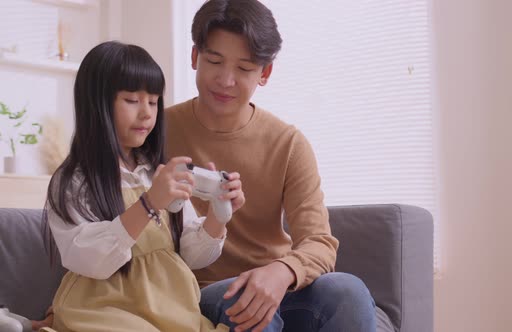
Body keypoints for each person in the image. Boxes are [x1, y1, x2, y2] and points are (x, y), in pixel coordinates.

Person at [165, 1, 377, 331]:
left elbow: (319, 242)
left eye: (244, 68)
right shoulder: (156, 132)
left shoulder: (288, 144)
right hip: (202, 293)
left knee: (348, 291)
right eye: (214, 61)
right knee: (243, 299)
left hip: (279, 289)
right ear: (194, 57)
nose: (225, 79)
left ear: (264, 73)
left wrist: (282, 271)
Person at [38, 40, 245, 332]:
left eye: (153, 101)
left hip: (169, 309)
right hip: (102, 310)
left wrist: (218, 216)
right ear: (96, 104)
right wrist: (149, 204)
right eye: (133, 101)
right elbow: (88, 259)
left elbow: (191, 255)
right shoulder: (74, 179)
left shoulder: (157, 173)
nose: (147, 113)